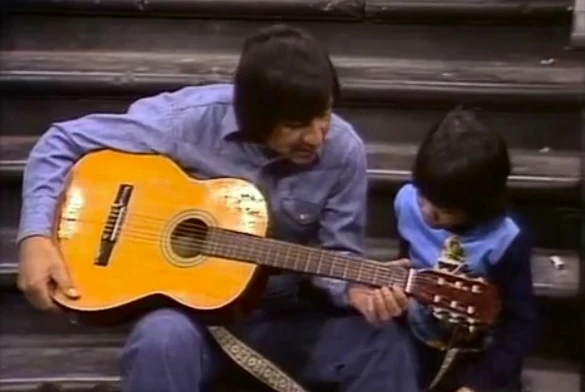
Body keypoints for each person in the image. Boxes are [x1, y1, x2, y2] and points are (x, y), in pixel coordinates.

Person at [16, 24, 420, 392]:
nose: (317, 137)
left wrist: (354, 288)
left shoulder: (343, 151)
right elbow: (61, 142)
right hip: (193, 320)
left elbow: (338, 253)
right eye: (297, 125)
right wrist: (36, 237)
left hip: (285, 315)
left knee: (383, 343)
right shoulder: (186, 121)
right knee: (160, 340)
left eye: (324, 115)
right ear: (255, 117)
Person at [393, 108, 538, 392]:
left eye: (444, 210)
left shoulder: (506, 238)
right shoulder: (407, 202)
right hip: (417, 344)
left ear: (478, 206)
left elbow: (519, 326)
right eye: (423, 197)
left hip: (479, 357)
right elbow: (407, 263)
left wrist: (478, 384)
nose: (427, 212)